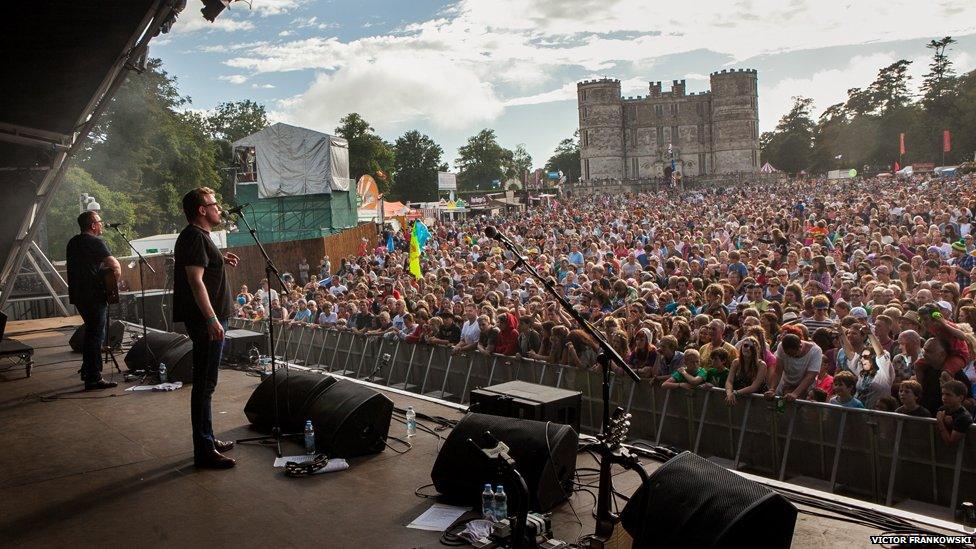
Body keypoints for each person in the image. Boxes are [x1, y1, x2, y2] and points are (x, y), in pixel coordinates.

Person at [173, 187, 239, 470]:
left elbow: (200, 266)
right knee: (205, 385)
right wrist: (212, 319)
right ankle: (204, 449)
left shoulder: (198, 238)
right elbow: (195, 280)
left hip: (209, 318)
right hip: (206, 320)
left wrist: (220, 259)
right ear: (201, 210)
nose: (219, 209)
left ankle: (208, 439)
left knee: (207, 384)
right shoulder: (194, 237)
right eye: (214, 204)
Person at [66, 210, 121, 390]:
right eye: (99, 221)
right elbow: (114, 265)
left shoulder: (73, 242)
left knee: (91, 332)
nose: (102, 224)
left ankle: (87, 370)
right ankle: (93, 377)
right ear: (92, 225)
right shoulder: (96, 242)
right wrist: (112, 285)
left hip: (79, 295)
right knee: (96, 335)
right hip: (94, 295)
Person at [765, 333, 821, 402]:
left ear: (800, 346)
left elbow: (810, 376)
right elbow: (778, 371)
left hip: (804, 389)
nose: (791, 357)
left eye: (793, 354)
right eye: (788, 354)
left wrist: (795, 393)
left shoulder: (815, 351)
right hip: (785, 386)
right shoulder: (781, 347)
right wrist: (772, 389)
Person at [936, 380, 972, 445]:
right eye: (943, 394)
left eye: (948, 395)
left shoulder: (964, 417)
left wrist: (940, 422)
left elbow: (950, 442)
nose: (944, 397)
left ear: (960, 398)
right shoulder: (942, 409)